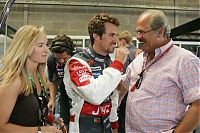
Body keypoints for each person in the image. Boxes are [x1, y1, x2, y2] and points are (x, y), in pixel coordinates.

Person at [121, 9, 200, 133]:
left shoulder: (185, 60)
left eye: (142, 32)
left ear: (160, 32)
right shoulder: (139, 59)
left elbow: (198, 105)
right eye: (137, 32)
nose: (138, 37)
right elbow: (123, 85)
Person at [63, 13, 129, 133]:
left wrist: (114, 124)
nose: (115, 40)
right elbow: (94, 95)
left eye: (116, 35)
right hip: (84, 126)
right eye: (111, 35)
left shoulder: (110, 62)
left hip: (107, 125)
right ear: (96, 36)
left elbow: (112, 97)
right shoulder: (77, 62)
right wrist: (118, 64)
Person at [0, 25, 62, 133]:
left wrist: (51, 120)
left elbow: (28, 113)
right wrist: (40, 131)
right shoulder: (15, 81)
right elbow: (1, 127)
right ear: (25, 47)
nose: (46, 50)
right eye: (40, 45)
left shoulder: (40, 77)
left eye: (46, 45)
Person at [47, 34, 75, 129]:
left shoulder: (79, 57)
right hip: (64, 91)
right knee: (65, 123)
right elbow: (52, 81)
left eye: (65, 58)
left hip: (80, 93)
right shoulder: (51, 60)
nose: (62, 61)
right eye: (58, 59)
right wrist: (52, 99)